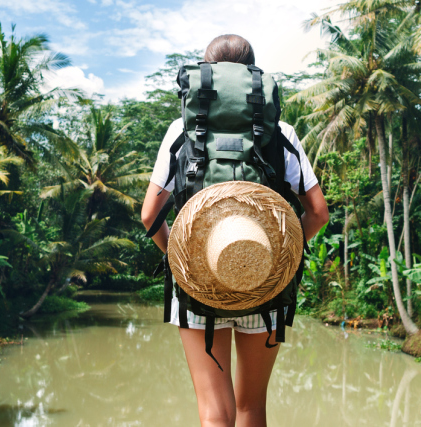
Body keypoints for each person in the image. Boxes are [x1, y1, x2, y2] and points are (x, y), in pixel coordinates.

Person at [139, 34, 329, 427]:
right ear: (252, 78)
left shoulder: (182, 130)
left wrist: (184, 259)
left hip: (195, 290)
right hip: (267, 283)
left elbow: (148, 215)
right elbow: (318, 212)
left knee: (215, 414)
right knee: (251, 409)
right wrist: (283, 254)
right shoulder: (282, 132)